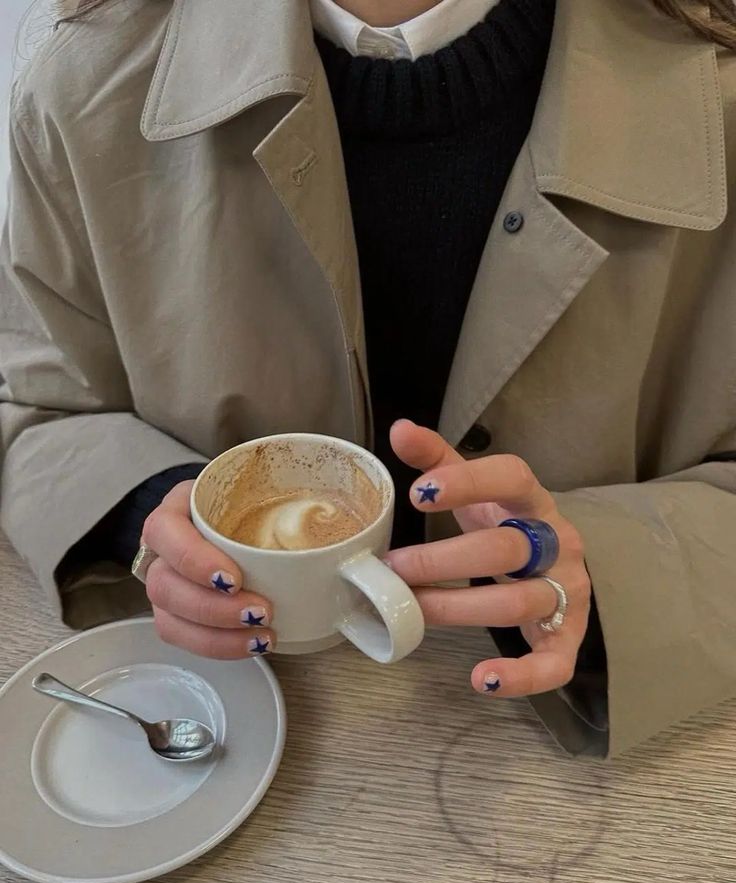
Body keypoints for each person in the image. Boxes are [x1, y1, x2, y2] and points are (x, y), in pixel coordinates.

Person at [1, 0, 735, 759]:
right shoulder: (83, 95)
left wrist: (616, 576)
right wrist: (159, 519)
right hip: (223, 732)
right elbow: (31, 406)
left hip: (584, 784)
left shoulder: (721, 97)